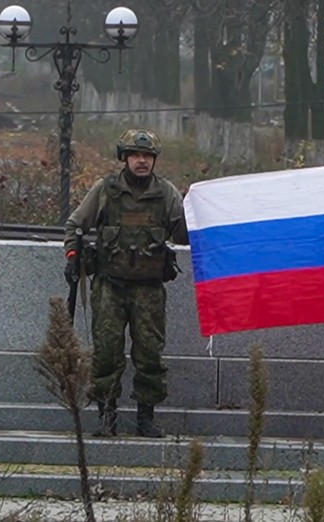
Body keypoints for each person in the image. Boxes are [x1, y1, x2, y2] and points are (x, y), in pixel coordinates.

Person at [63, 128, 188, 438]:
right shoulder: (106, 190)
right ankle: (107, 416)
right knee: (106, 353)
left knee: (149, 354)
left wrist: (200, 213)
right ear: (124, 158)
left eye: (147, 156)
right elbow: (76, 224)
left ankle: (146, 418)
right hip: (110, 287)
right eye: (136, 155)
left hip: (148, 289)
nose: (142, 161)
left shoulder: (166, 193)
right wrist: (71, 255)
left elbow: (183, 235)